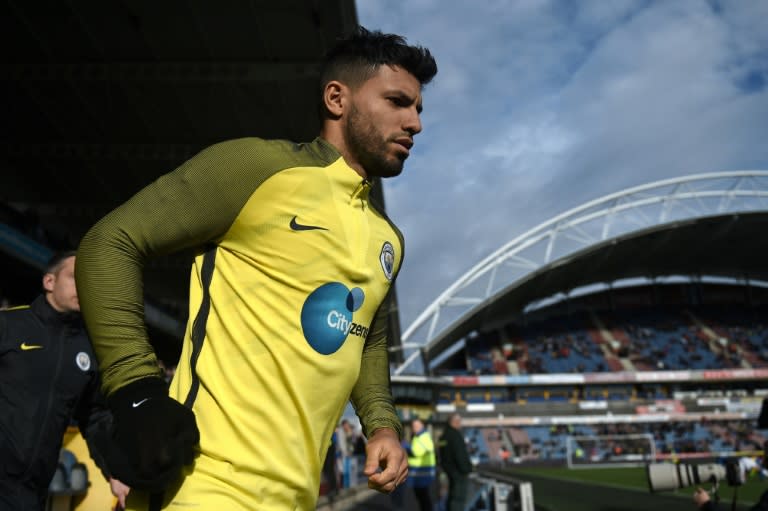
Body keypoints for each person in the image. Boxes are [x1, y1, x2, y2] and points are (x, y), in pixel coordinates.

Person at [75, 27, 438, 511]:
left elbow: (366, 333)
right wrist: (137, 390)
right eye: (398, 101)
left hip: (297, 497)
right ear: (337, 99)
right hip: (203, 486)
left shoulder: (387, 239)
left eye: (417, 109)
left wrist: (381, 424)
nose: (414, 122)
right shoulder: (258, 168)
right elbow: (110, 242)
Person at [0, 251, 129, 510]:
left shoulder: (89, 350)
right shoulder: (8, 325)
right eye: (74, 278)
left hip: (31, 493)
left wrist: (115, 472)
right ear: (49, 282)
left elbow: (95, 417)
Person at [438, 413, 473, 511]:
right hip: (458, 473)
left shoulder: (444, 435)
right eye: (459, 422)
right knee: (458, 498)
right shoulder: (455, 435)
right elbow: (460, 455)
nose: (460, 424)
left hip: (449, 471)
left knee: (451, 497)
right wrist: (467, 469)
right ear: (455, 422)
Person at [406, 418, 437, 511]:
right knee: (422, 498)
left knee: (424, 498)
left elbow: (416, 452)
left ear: (422, 426)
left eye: (417, 426)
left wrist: (406, 446)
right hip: (420, 472)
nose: (414, 428)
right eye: (413, 426)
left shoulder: (423, 437)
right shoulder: (418, 437)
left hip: (422, 472)